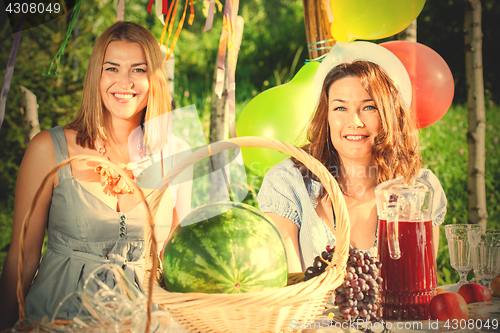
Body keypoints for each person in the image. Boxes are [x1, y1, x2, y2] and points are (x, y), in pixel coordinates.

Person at [0, 21, 192, 328]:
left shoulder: (177, 153)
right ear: (96, 75)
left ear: (154, 79)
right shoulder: (48, 149)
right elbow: (21, 258)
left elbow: (182, 262)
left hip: (143, 322)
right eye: (112, 68)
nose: (124, 81)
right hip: (57, 317)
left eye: (139, 70)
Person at [257, 60, 447, 273]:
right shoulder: (287, 182)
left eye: (369, 107)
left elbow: (420, 284)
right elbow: (290, 290)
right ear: (326, 117)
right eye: (340, 108)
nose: (354, 121)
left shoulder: (420, 189)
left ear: (388, 115)